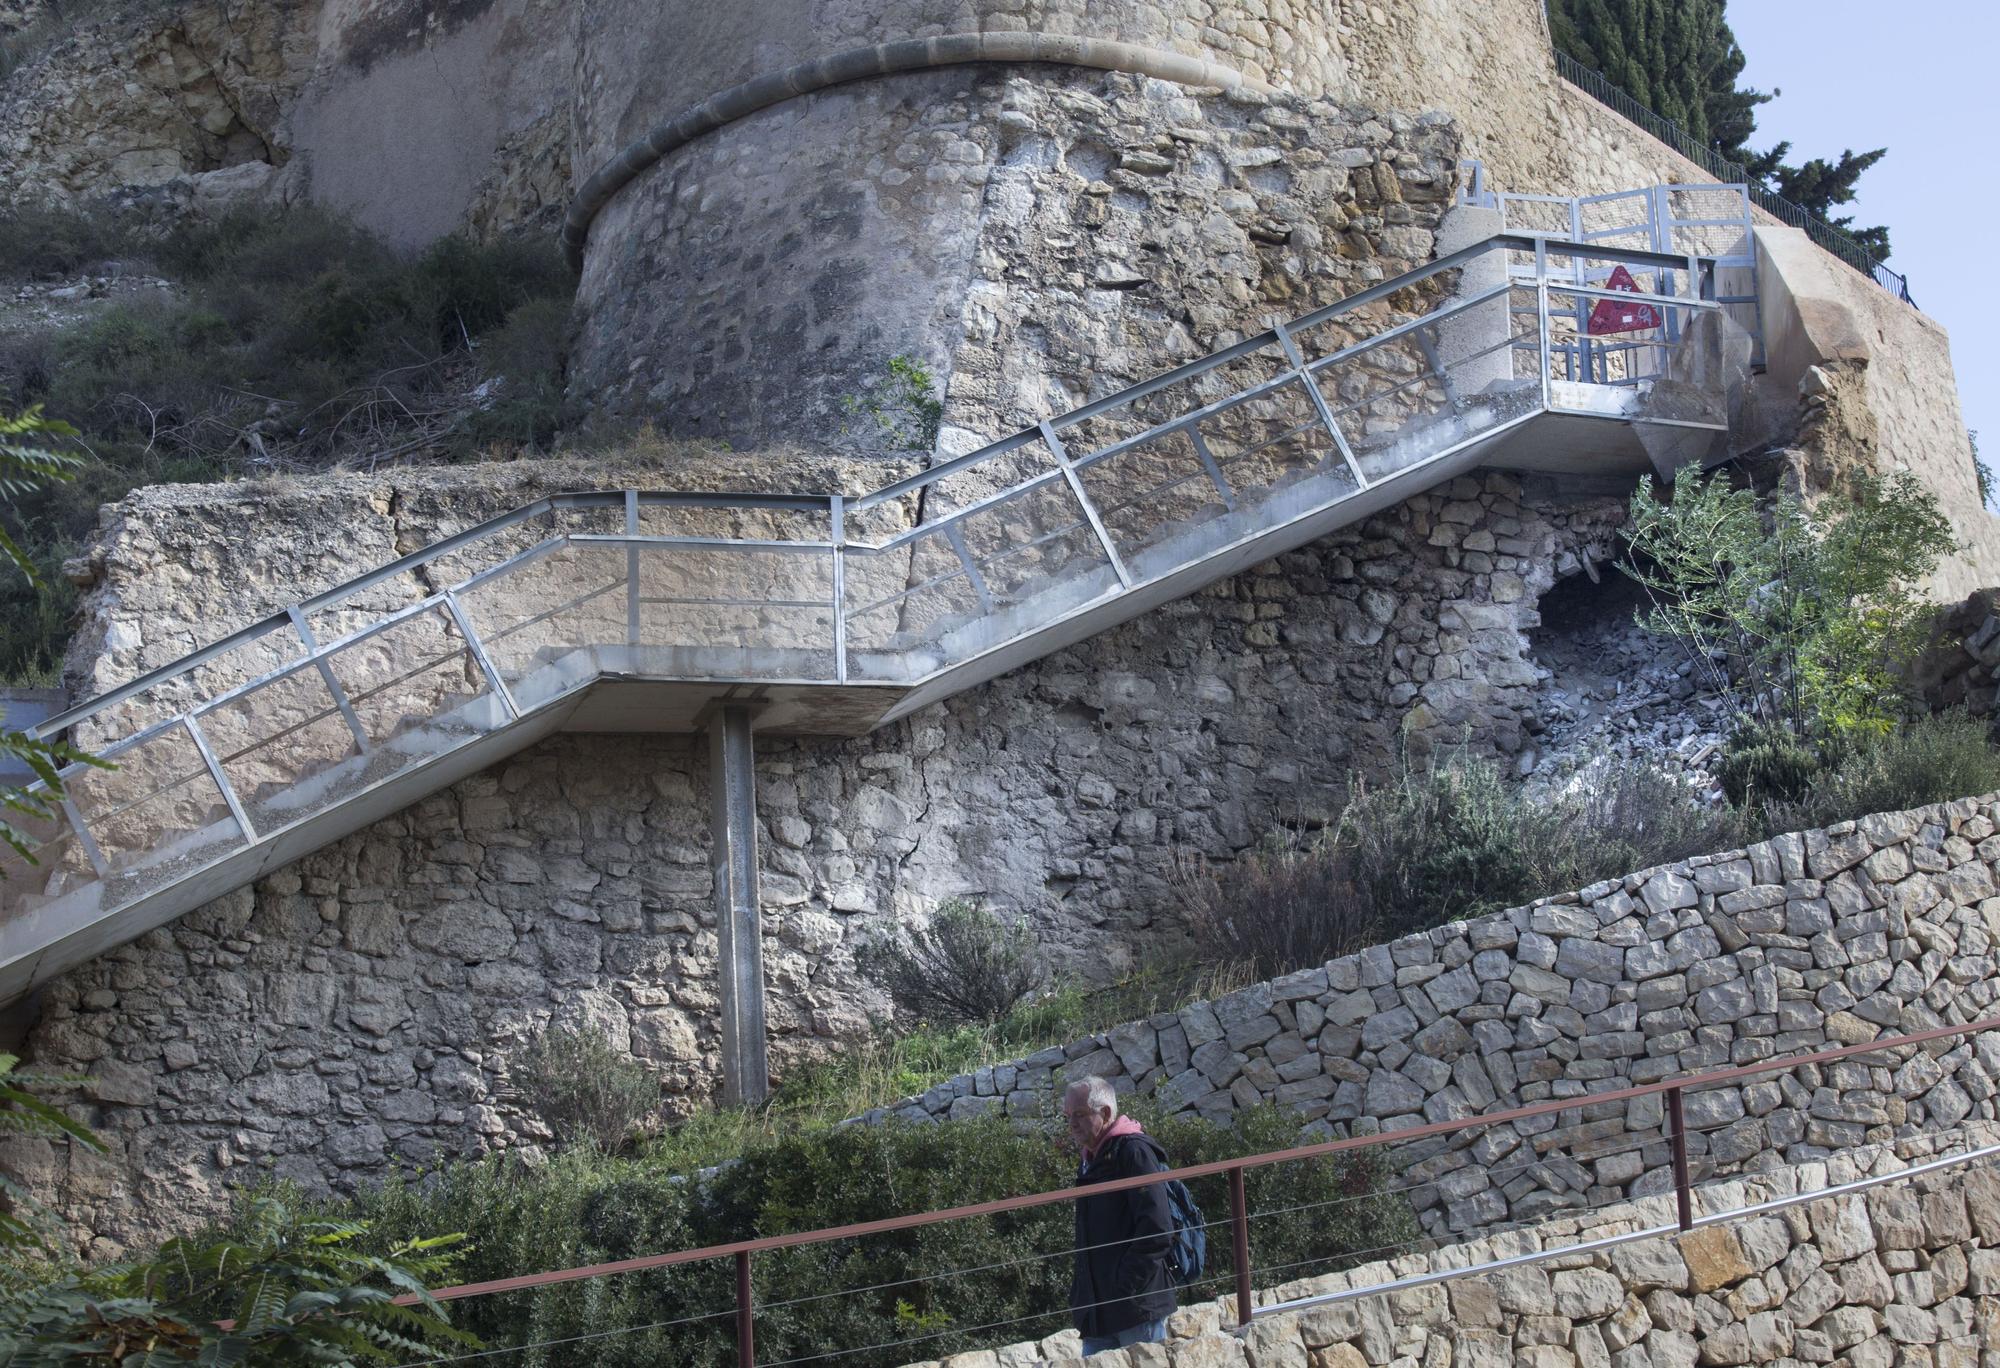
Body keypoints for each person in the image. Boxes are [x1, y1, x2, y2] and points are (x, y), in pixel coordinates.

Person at [1061, 1075, 1175, 1356]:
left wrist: (1126, 1285)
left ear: (1106, 1113)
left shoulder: (1133, 1152)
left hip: (1135, 1308)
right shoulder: (1091, 1159)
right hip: (1099, 1312)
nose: (1071, 1124)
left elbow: (1158, 1228)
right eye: (1067, 1116)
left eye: (1079, 1115)